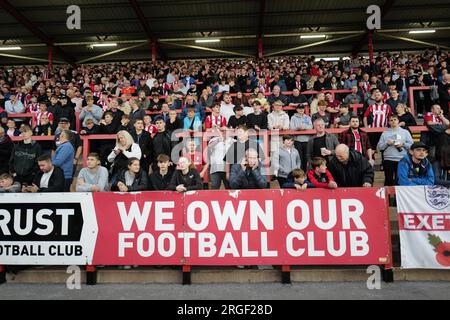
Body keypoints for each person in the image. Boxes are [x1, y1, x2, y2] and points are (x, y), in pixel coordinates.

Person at [377, 115, 414, 186]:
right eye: (391, 120)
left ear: (398, 121)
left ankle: (398, 196)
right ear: (389, 122)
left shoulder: (405, 132)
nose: (393, 121)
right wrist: (387, 143)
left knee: (400, 179)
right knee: (388, 179)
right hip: (388, 159)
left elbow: (411, 145)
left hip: (401, 159)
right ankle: (387, 196)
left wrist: (402, 144)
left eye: (395, 119)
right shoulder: (385, 133)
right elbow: (380, 147)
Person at [289, 104, 312, 171]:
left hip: (306, 140)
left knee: (305, 157)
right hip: (298, 140)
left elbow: (310, 127)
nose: (301, 109)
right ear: (297, 109)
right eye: (299, 108)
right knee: (299, 157)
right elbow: (292, 127)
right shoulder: (293, 117)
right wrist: (298, 128)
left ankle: (304, 172)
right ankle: (299, 172)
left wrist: (303, 128)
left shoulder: (307, 117)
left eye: (302, 108)